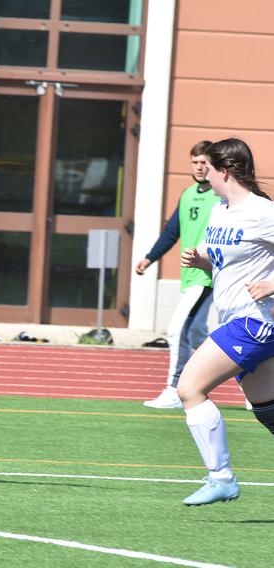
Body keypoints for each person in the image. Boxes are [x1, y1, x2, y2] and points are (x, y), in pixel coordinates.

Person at [176, 138, 274, 506]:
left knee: (189, 387)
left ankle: (221, 478)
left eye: (210, 169)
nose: (205, 174)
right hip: (235, 320)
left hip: (256, 323)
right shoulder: (220, 208)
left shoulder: (263, 212)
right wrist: (202, 259)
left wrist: (271, 284)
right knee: (267, 409)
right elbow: (227, 257)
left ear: (226, 171)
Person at [136, 141, 216, 409]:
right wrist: (150, 258)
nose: (200, 167)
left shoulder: (221, 196)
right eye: (196, 162)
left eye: (205, 162)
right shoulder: (187, 195)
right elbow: (172, 232)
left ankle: (175, 390)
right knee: (196, 335)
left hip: (208, 276)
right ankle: (250, 377)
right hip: (190, 277)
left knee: (176, 331)